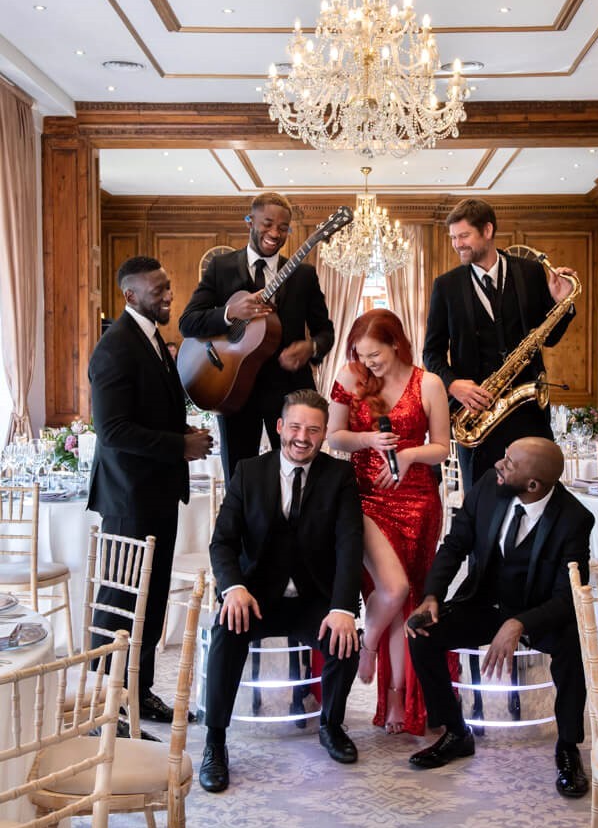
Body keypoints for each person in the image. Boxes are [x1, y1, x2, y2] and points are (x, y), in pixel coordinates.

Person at [405, 437, 594, 799]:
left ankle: (568, 748)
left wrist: (520, 624)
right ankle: (456, 732)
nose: (499, 466)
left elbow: (567, 596)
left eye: (509, 463)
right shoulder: (488, 489)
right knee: (422, 634)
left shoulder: (574, 519)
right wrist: (431, 596)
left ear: (533, 484)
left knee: (572, 647)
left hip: (539, 612)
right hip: (485, 604)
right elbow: (455, 545)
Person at [199, 389, 363, 794]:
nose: (302, 437)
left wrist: (343, 608)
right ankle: (215, 742)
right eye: (295, 427)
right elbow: (222, 542)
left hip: (312, 598)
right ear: (279, 427)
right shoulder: (248, 472)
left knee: (346, 641)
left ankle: (331, 725)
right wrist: (233, 588)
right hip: (256, 597)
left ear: (325, 433)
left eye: (313, 429)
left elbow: (349, 545)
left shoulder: (340, 477)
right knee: (226, 631)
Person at [88, 256, 213, 723]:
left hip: (157, 494)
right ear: (130, 295)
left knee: (151, 600)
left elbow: (150, 410)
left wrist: (184, 433)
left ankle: (139, 694)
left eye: (167, 286)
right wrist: (180, 445)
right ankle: (106, 707)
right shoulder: (114, 347)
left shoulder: (154, 338)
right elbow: (113, 431)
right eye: (158, 289)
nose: (168, 295)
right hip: (128, 498)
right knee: (120, 603)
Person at [327, 309, 457, 735]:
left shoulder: (429, 383)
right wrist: (367, 439)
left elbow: (442, 447)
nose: (368, 364)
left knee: (408, 600)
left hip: (418, 502)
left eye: (375, 355)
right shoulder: (350, 377)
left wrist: (408, 454)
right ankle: (367, 645)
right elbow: (334, 435)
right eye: (361, 355)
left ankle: (399, 696)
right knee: (392, 588)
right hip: (364, 500)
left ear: (396, 345)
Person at [179, 191, 334, 485]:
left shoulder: (303, 275)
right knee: (239, 479)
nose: (275, 233)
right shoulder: (220, 268)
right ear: (249, 221)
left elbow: (325, 331)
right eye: (267, 224)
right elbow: (188, 323)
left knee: (298, 477)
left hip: (290, 393)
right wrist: (229, 313)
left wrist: (311, 347)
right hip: (231, 387)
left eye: (283, 228)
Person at [423, 198, 577, 494]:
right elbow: (431, 353)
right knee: (481, 503)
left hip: (528, 411)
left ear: (488, 230)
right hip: (477, 416)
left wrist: (562, 305)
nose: (457, 244)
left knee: (539, 497)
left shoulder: (531, 272)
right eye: (453, 237)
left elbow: (550, 337)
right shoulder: (446, 286)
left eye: (464, 235)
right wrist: (453, 385)